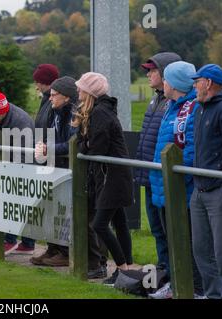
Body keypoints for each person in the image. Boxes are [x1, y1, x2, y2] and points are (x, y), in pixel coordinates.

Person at [148, 61, 204, 299]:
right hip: (162, 184)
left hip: (181, 186)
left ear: (176, 83)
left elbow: (189, 149)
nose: (164, 82)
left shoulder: (191, 108)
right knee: (170, 239)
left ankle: (197, 289)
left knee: (189, 242)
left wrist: (180, 176)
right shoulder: (170, 106)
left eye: (167, 79)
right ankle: (174, 283)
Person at [73, 72, 134, 285]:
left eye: (81, 88)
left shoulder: (100, 113)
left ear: (89, 92)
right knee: (120, 222)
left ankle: (123, 268)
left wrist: (84, 144)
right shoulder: (99, 111)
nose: (78, 91)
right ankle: (126, 270)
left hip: (112, 176)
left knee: (100, 225)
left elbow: (95, 147)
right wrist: (85, 143)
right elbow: (85, 141)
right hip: (111, 174)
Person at [135, 52, 182, 273]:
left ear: (165, 72)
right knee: (156, 228)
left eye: (152, 70)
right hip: (150, 175)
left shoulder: (174, 103)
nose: (148, 74)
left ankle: (174, 274)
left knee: (169, 230)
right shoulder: (156, 99)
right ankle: (164, 271)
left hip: (163, 176)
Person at [0, 87, 36, 255]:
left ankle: (18, 241)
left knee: (19, 202)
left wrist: (12, 173)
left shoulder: (21, 120)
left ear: (5, 112)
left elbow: (24, 153)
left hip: (25, 163)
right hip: (6, 161)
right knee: (8, 201)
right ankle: (18, 241)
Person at [31, 76, 77, 267]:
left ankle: (65, 251)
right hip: (53, 166)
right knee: (50, 208)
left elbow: (72, 144)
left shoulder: (73, 113)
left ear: (66, 97)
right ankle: (53, 247)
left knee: (64, 211)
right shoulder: (55, 111)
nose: (50, 98)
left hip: (67, 168)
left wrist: (49, 149)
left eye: (54, 95)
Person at [190, 64, 222, 299]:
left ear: (209, 83)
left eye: (197, 81)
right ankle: (213, 295)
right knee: (201, 250)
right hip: (199, 189)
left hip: (219, 190)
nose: (194, 86)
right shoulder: (199, 108)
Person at [33, 64, 59, 145]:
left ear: (45, 82)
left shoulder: (56, 102)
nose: (36, 87)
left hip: (50, 153)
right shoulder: (46, 99)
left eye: (37, 82)